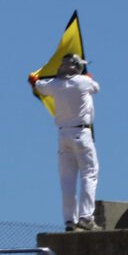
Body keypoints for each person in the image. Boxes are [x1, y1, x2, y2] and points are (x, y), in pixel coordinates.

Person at [29, 54, 100, 232]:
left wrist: (34, 80)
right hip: (81, 133)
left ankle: (69, 220)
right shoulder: (84, 82)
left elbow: (37, 85)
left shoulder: (54, 84)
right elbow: (96, 87)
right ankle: (86, 217)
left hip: (63, 135)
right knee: (89, 174)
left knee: (67, 180)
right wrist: (88, 77)